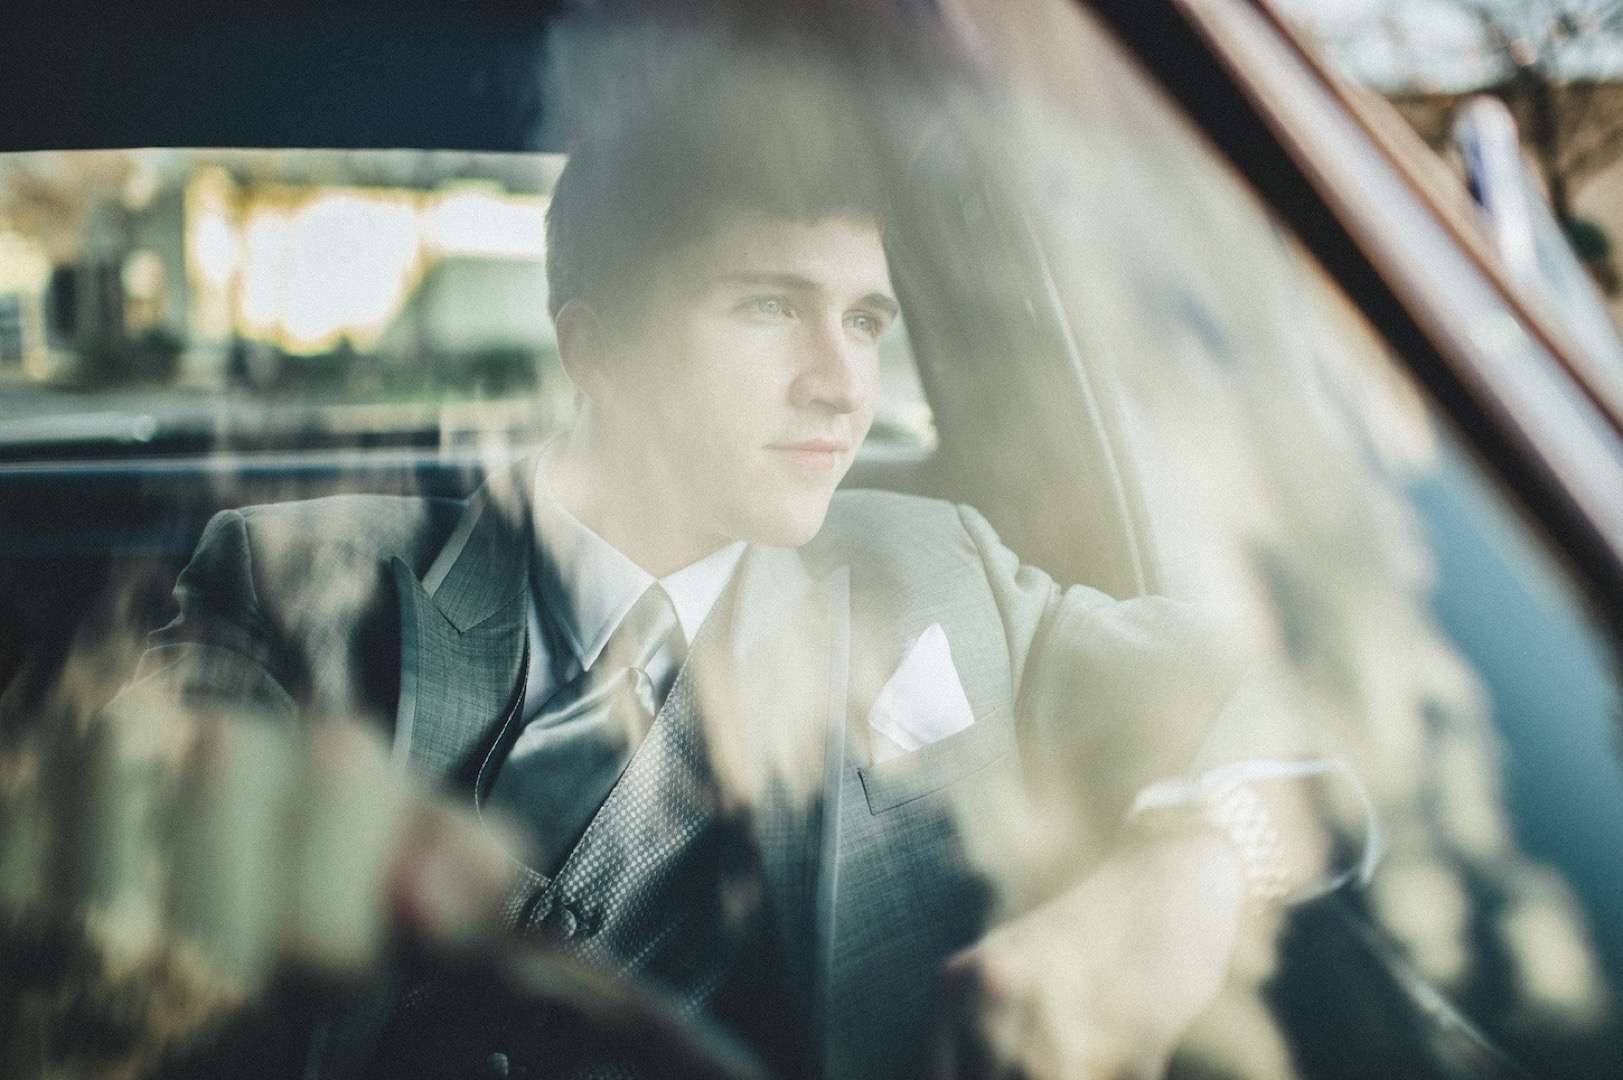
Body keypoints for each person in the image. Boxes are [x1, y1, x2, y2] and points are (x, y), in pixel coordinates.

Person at [106, 60, 1366, 1080]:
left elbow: (1314, 688)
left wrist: (1195, 876)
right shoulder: (296, 578)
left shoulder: (943, 576)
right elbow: (140, 915)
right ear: (592, 348)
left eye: (867, 319)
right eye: (768, 306)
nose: (843, 383)